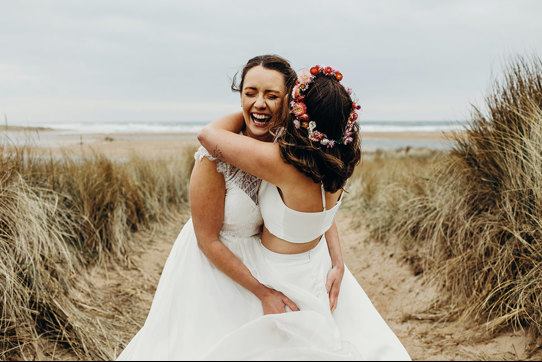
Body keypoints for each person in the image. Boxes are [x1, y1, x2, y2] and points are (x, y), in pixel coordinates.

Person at [116, 55, 346, 360]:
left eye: (272, 95)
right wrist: (262, 291)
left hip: (265, 267)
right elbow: (206, 240)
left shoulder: (290, 147)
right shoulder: (215, 155)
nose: (260, 103)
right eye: (250, 93)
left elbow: (314, 204)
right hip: (217, 269)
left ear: (290, 102)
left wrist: (337, 260)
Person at [198, 65, 411, 360]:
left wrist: (248, 106)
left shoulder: (282, 162)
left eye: (281, 97)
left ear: (297, 111)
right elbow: (323, 219)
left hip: (279, 272)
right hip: (318, 266)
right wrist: (338, 262)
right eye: (251, 92)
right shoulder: (336, 160)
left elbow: (208, 135)